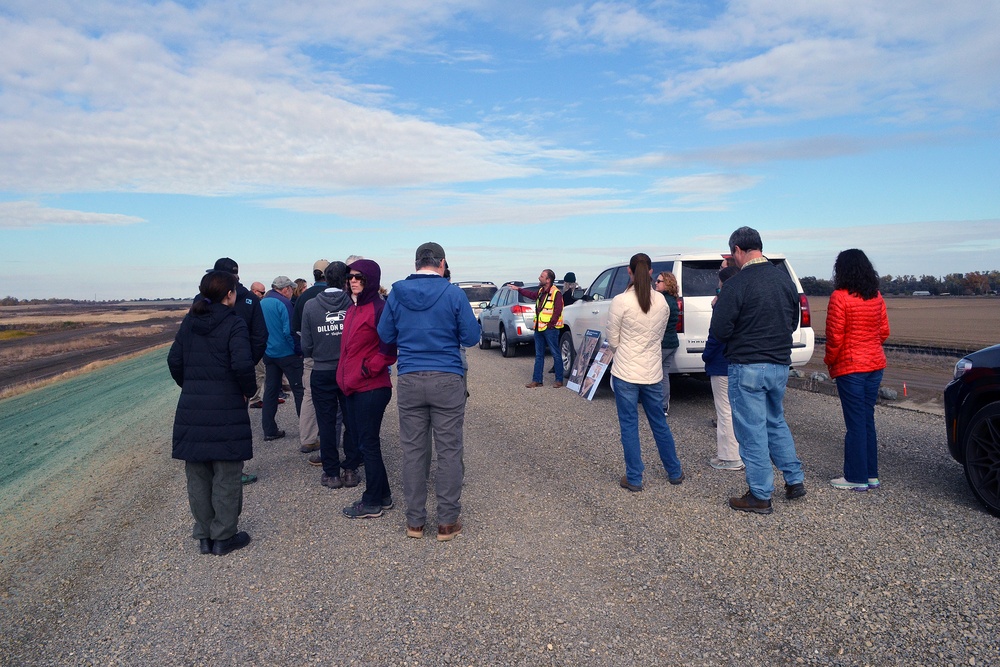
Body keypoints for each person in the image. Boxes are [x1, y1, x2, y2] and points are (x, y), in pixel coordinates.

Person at [377, 242, 480, 541]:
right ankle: (447, 522)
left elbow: (385, 335)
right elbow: (471, 337)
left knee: (413, 451)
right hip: (447, 376)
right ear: (442, 263)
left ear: (416, 262)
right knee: (449, 450)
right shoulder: (453, 293)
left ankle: (415, 522)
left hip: (410, 377)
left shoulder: (397, 294)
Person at [710, 226, 806, 515]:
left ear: (738, 250)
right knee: (775, 421)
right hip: (779, 364)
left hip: (747, 365)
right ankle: (794, 479)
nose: (733, 260)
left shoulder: (738, 284)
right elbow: (793, 322)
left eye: (732, 254)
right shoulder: (785, 281)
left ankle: (760, 494)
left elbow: (720, 329)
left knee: (751, 430)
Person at [168, 270, 255, 556]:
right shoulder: (234, 323)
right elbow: (243, 365)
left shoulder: (190, 322)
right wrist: (247, 390)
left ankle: (204, 535)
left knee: (198, 474)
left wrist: (191, 384)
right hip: (226, 405)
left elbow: (174, 360)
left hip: (192, 407)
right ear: (229, 294)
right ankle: (223, 536)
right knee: (227, 473)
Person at [607, 253, 684, 492]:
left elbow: (613, 339)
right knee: (659, 422)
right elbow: (659, 337)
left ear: (630, 272)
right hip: (652, 372)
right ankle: (674, 471)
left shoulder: (620, 301)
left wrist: (626, 351)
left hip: (626, 372)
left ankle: (634, 477)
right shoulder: (661, 301)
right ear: (650, 272)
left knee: (629, 425)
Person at [824, 249, 890, 492]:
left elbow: (834, 338)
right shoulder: (876, 296)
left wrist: (830, 362)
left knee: (855, 424)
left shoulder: (839, 297)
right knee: (866, 420)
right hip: (875, 365)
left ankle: (855, 477)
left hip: (851, 368)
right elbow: (884, 332)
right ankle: (871, 475)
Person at [339, 259, 398, 519]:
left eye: (359, 277)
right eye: (351, 276)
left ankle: (372, 501)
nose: (353, 281)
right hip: (353, 386)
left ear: (371, 280)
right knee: (366, 444)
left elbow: (389, 349)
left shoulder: (379, 308)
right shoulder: (353, 308)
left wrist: (366, 369)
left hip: (371, 387)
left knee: (368, 445)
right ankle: (382, 496)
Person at [206, 259, 267, 486]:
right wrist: (248, 364)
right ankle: (231, 471)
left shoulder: (203, 299)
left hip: (214, 372)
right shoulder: (251, 300)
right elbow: (260, 337)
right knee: (235, 421)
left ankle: (219, 471)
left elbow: (260, 336)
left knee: (211, 421)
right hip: (237, 372)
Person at [300, 261, 361, 489]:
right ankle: (351, 470)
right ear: (346, 280)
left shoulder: (310, 306)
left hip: (322, 370)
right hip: (348, 370)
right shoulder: (353, 304)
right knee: (351, 421)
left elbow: (305, 345)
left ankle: (331, 473)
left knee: (326, 423)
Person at [702, 266, 743, 471]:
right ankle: (742, 453)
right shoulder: (745, 300)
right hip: (740, 362)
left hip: (721, 362)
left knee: (724, 411)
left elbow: (715, 335)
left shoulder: (723, 304)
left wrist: (706, 355)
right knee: (738, 410)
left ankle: (729, 456)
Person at [290, 260, 330, 455]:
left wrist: (305, 349)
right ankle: (333, 437)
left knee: (309, 396)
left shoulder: (304, 297)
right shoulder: (335, 295)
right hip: (333, 355)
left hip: (311, 355)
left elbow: (295, 329)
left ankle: (308, 438)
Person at [260, 276, 304, 441]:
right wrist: (298, 350)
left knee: (270, 392)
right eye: (291, 289)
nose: (292, 292)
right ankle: (308, 432)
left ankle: (269, 429)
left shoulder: (263, 302)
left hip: (270, 353)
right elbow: (289, 331)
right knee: (300, 390)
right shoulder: (284, 303)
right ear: (285, 289)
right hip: (287, 354)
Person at [507, 269, 565, 388]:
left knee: (555, 354)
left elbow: (558, 310)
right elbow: (531, 295)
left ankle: (559, 380)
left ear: (548, 280)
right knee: (539, 355)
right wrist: (518, 289)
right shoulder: (540, 291)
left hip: (550, 329)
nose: (539, 278)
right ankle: (537, 380)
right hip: (539, 328)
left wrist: (551, 324)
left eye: (542, 276)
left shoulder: (556, 293)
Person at [654, 271, 680, 416]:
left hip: (662, 343)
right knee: (664, 374)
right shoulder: (673, 300)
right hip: (672, 342)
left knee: (655, 375)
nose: (655, 284)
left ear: (667, 284)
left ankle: (656, 405)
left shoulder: (662, 301)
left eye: (659, 281)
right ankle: (663, 406)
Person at [247, 281, 268, 409]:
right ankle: (254, 399)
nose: (263, 295)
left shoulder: (247, 302)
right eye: (262, 292)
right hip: (253, 345)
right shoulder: (253, 304)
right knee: (259, 373)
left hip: (249, 344)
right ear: (255, 291)